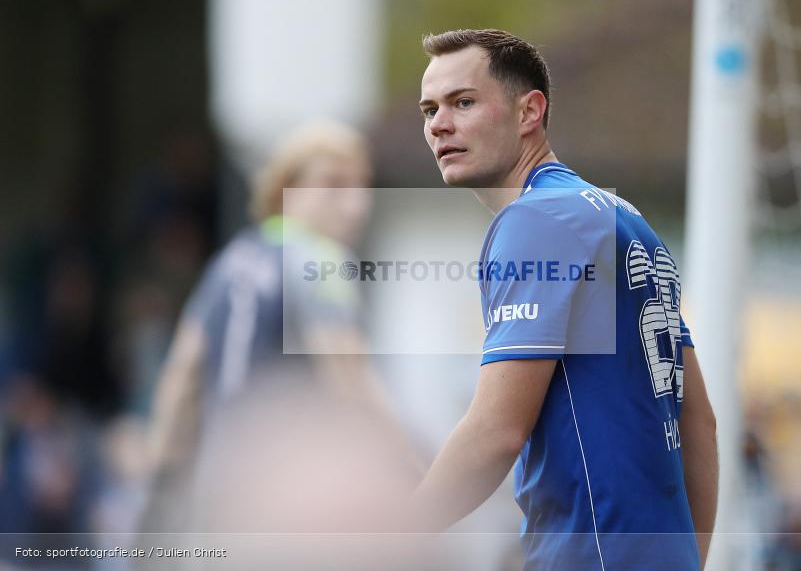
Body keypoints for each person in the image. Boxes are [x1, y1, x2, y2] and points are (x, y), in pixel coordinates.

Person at [412, 29, 719, 569]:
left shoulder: (537, 220)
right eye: (429, 108)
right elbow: (698, 421)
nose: (439, 124)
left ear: (529, 111)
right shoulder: (623, 216)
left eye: (463, 102)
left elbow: (495, 432)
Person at [142, 121, 412, 532]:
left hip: (217, 494)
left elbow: (181, 378)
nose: (355, 204)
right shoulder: (318, 260)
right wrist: (417, 468)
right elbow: (350, 383)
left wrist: (159, 485)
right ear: (288, 189)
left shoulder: (230, 262)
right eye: (334, 185)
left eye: (362, 185)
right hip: (286, 497)